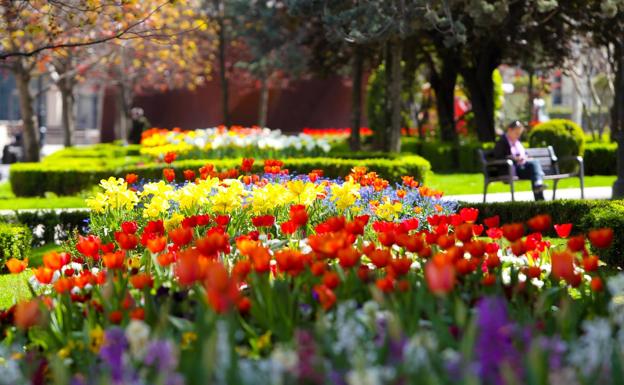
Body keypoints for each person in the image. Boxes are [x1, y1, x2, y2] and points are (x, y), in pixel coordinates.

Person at [493, 120, 546, 200]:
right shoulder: (502, 142)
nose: (518, 136)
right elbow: (499, 157)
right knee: (534, 167)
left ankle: (538, 187)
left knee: (534, 166)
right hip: (511, 169)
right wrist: (514, 158)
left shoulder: (517, 142)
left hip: (521, 168)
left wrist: (525, 157)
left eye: (519, 134)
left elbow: (524, 153)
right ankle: (538, 188)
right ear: (510, 130)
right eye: (517, 133)